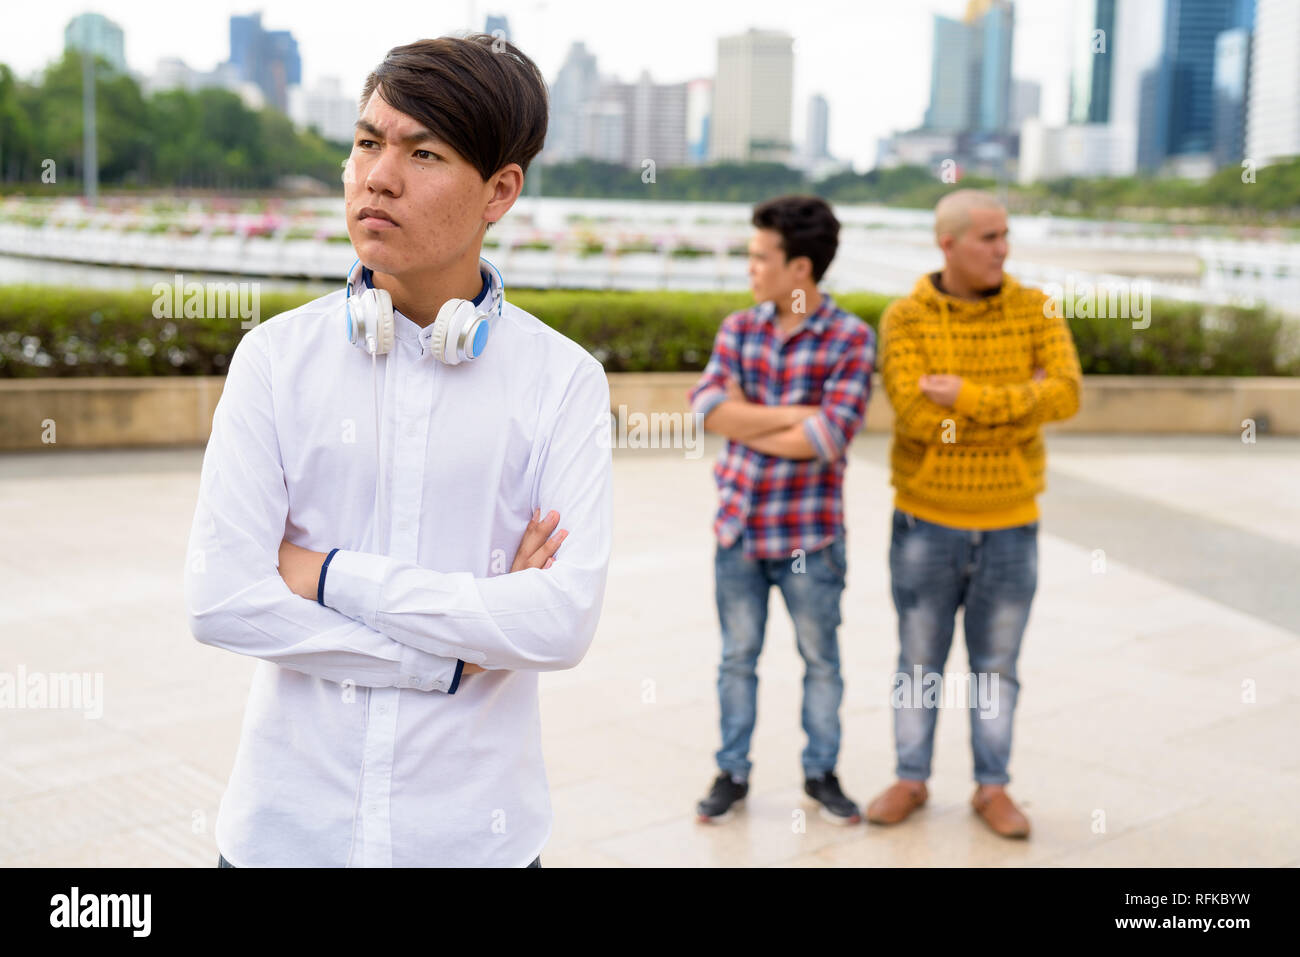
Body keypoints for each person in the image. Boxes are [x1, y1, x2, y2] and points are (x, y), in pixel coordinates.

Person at [184, 35, 613, 867]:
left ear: (500, 190)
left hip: (473, 837)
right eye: (367, 141)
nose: (378, 175)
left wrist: (327, 573)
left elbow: (560, 622)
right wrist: (455, 652)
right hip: (284, 833)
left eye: (424, 152)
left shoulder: (563, 381)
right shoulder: (274, 361)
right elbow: (220, 599)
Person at [866, 188, 1081, 839]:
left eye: (1005, 234)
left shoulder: (1036, 309)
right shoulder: (905, 318)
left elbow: (1066, 394)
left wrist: (966, 394)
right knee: (918, 660)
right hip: (925, 522)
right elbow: (916, 413)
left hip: (1012, 521)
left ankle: (993, 787)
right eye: (989, 236)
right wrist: (1018, 403)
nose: (1003, 248)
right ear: (948, 243)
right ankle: (911, 776)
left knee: (996, 666)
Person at [687, 196, 876, 825]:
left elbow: (827, 440)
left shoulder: (851, 338)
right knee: (736, 659)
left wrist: (749, 423)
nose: (751, 268)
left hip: (810, 539)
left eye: (760, 257)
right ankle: (731, 773)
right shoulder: (740, 328)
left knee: (821, 662)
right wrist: (795, 414)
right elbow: (706, 409)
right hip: (739, 529)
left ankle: (822, 773)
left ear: (800, 269)